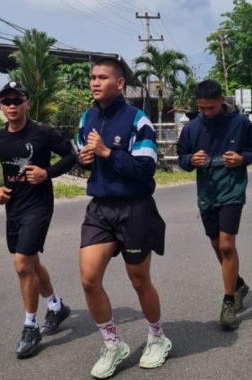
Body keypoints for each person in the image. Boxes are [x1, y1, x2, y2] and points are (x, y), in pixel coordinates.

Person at [77, 57, 171, 379]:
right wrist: (86, 159)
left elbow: (145, 169)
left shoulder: (138, 120)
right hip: (100, 208)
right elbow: (85, 160)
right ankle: (112, 342)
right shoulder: (86, 117)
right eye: (92, 77)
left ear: (119, 84)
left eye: (102, 77)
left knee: (139, 279)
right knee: (89, 279)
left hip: (135, 208)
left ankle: (158, 336)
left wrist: (106, 153)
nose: (94, 82)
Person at [0, 81, 76, 358]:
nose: (11, 106)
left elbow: (72, 155)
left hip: (39, 205)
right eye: (6, 101)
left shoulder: (43, 132)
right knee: (31, 262)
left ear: (26, 103)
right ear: (0, 106)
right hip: (13, 207)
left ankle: (30, 326)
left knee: (22, 264)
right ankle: (56, 307)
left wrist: (47, 173)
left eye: (16, 100)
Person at [176, 79, 252, 330]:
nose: (206, 113)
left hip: (232, 190)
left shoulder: (240, 123)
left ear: (222, 100)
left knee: (226, 244)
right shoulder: (192, 128)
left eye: (211, 108)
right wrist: (191, 159)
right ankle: (238, 285)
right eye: (202, 108)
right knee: (216, 244)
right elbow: (182, 157)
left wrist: (242, 158)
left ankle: (228, 301)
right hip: (207, 192)